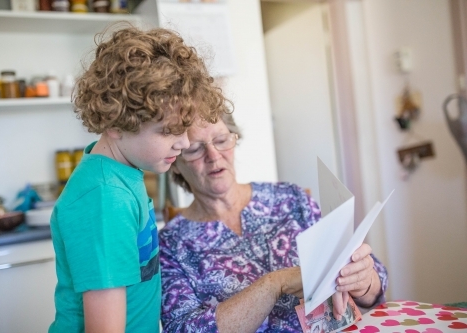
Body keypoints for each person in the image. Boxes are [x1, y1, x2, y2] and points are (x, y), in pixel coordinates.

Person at [48, 23, 228, 333]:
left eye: (184, 128)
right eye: (167, 131)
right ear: (117, 123)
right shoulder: (105, 200)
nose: (184, 143)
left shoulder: (121, 174)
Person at [159, 112, 388, 332]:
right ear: (174, 161)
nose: (213, 155)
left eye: (221, 140)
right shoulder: (170, 245)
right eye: (195, 149)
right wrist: (274, 284)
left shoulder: (291, 198)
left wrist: (363, 280)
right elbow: (182, 329)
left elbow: (376, 284)